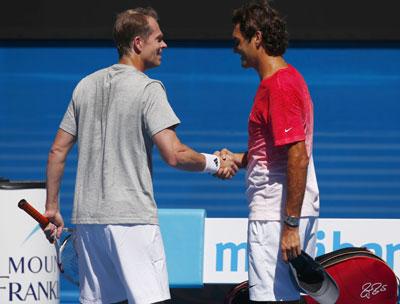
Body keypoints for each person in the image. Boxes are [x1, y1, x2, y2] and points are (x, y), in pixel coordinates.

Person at [44, 7, 237, 304]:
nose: (164, 45)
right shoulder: (150, 89)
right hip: (131, 220)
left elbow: (58, 150)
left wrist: (52, 206)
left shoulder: (84, 86)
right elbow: (174, 154)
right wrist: (215, 163)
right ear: (137, 43)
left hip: (88, 222)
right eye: (158, 38)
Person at [216, 1, 320, 303]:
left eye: (238, 40)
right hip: (284, 214)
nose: (236, 48)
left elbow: (297, 155)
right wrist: (240, 158)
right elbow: (277, 150)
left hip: (276, 216)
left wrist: (290, 226)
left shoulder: (278, 86)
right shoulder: (289, 80)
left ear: (257, 38)